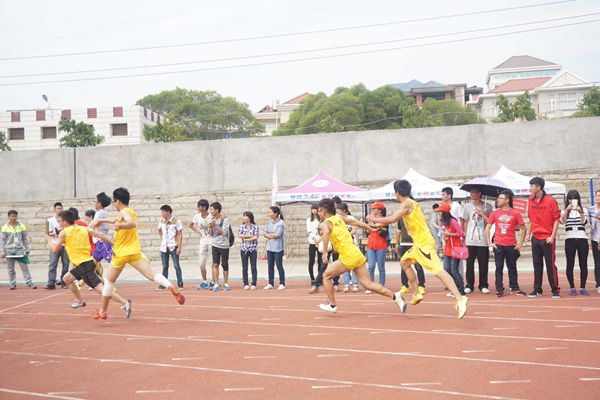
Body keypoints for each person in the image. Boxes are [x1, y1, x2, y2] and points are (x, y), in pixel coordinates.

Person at [369, 180, 468, 319]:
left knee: (439, 272)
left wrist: (372, 218)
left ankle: (460, 298)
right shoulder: (410, 203)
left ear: (397, 193)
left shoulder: (407, 204)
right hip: (418, 244)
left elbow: (392, 219)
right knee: (404, 263)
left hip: (424, 244)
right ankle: (416, 293)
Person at [92, 187, 184, 320]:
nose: (114, 205)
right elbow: (118, 219)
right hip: (134, 252)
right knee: (151, 275)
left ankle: (103, 311)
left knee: (108, 282)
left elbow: (130, 223)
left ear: (117, 201)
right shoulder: (130, 211)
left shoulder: (124, 212)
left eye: (114, 202)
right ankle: (170, 286)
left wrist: (120, 226)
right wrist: (102, 220)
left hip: (120, 254)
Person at [316, 198, 406, 314]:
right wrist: (371, 229)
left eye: (319, 211)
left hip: (348, 256)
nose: (318, 213)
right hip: (356, 253)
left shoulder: (324, 224)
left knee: (326, 276)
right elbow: (356, 223)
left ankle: (332, 305)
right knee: (368, 284)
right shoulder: (339, 218)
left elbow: (326, 233)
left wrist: (324, 253)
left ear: (324, 211)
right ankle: (395, 296)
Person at [49, 209, 131, 316]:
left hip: (83, 266)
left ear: (65, 222)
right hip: (85, 263)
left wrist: (48, 239)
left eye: (60, 221)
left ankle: (124, 302)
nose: (59, 223)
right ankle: (80, 301)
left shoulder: (64, 233)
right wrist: (114, 244)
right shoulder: (84, 229)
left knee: (101, 290)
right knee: (67, 279)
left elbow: (55, 249)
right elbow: (101, 235)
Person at [486, 190, 527, 297]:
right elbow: (487, 228)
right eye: (498, 198)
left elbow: (523, 228)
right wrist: (490, 243)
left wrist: (520, 243)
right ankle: (499, 289)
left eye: (500, 198)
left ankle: (514, 288)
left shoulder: (515, 213)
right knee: (499, 267)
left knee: (512, 267)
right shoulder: (495, 213)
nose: (498, 200)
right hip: (498, 244)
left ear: (507, 200)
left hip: (511, 244)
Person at [527, 177, 561, 299]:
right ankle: (537, 289)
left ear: (539, 187)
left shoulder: (550, 200)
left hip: (547, 238)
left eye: (532, 186)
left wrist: (552, 236)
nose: (530, 188)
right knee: (537, 264)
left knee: (550, 264)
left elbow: (556, 219)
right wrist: (529, 234)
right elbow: (531, 219)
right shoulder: (530, 200)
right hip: (535, 237)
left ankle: (555, 290)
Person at [461, 188, 493, 294]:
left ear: (479, 193)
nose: (471, 194)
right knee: (469, 263)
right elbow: (465, 221)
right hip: (470, 239)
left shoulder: (488, 206)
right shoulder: (467, 206)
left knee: (483, 263)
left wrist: (485, 215)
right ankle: (469, 285)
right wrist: (464, 236)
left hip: (483, 239)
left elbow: (491, 222)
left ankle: (483, 285)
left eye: (474, 192)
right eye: (471, 192)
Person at [560, 190, 589, 296]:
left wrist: (580, 211)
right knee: (570, 263)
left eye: (575, 198)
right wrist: (567, 210)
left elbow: (584, 222)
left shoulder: (583, 209)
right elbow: (562, 221)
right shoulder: (564, 210)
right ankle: (572, 287)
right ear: (567, 200)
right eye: (570, 198)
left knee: (583, 264)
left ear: (578, 199)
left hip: (582, 239)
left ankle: (583, 287)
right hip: (570, 239)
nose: (572, 200)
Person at [0, 210, 36, 290]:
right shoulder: (5, 227)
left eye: (15, 216)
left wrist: (27, 248)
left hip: (19, 250)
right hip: (9, 250)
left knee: (24, 267)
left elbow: (25, 239)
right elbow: (2, 240)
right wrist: (2, 252)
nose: (14, 218)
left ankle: (29, 282)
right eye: (12, 216)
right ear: (9, 217)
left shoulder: (21, 226)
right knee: (10, 269)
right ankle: (12, 283)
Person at [437, 203, 467, 297]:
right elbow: (442, 233)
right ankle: (454, 289)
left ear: (445, 212)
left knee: (454, 270)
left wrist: (450, 234)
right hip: (447, 248)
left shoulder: (453, 221)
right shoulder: (442, 222)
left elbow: (461, 233)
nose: (438, 213)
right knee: (447, 269)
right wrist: (444, 236)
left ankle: (461, 290)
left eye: (440, 211)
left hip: (455, 248)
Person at [157, 204, 184, 290]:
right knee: (165, 266)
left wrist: (179, 247)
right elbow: (159, 230)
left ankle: (180, 283)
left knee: (176, 266)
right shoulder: (161, 221)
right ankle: (164, 284)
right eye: (161, 212)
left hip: (173, 246)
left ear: (168, 212)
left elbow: (180, 234)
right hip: (164, 247)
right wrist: (162, 239)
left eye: (163, 212)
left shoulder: (176, 221)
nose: (162, 214)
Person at [396, 218, 426, 295]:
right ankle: (404, 285)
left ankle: (421, 285)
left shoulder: (415, 217)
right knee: (404, 266)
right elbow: (398, 230)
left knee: (418, 266)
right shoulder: (401, 218)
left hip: (415, 244)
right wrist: (397, 243)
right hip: (404, 244)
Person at [365, 202, 389, 294]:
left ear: (380, 210)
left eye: (374, 209)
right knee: (371, 266)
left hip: (381, 245)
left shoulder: (384, 220)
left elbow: (379, 228)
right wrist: (368, 224)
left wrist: (371, 222)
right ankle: (370, 285)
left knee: (381, 267)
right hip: (371, 245)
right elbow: (368, 230)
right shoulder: (371, 218)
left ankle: (381, 284)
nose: (372, 210)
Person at [188, 199, 212, 290]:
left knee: (213, 263)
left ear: (204, 207)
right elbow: (190, 225)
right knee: (201, 263)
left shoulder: (211, 216)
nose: (197, 208)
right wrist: (198, 231)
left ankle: (213, 281)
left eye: (199, 206)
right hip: (203, 241)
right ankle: (205, 281)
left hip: (212, 241)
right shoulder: (197, 216)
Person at [45, 202, 69, 289]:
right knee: (53, 264)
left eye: (61, 208)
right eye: (58, 208)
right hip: (55, 244)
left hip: (65, 245)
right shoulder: (50, 220)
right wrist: (56, 233)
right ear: (54, 210)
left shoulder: (66, 220)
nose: (60, 210)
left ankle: (64, 281)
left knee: (66, 264)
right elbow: (47, 233)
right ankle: (51, 282)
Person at [336, 202, 360, 293]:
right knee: (344, 265)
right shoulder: (337, 219)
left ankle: (355, 284)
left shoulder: (351, 218)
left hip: (352, 244)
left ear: (345, 211)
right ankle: (346, 284)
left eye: (339, 211)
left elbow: (354, 230)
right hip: (342, 246)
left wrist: (347, 235)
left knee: (353, 265)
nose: (337, 213)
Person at [208, 201, 231, 291]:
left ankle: (225, 283)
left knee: (224, 264)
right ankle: (216, 283)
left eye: (212, 209)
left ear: (217, 210)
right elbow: (211, 234)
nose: (210, 211)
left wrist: (215, 225)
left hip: (224, 245)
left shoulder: (224, 220)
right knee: (215, 264)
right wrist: (210, 227)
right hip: (214, 244)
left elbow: (224, 233)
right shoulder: (211, 219)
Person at [263, 206, 286, 290]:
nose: (269, 213)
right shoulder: (269, 222)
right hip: (269, 248)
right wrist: (271, 235)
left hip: (278, 248)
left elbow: (277, 235)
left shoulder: (281, 223)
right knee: (270, 266)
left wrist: (270, 235)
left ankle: (282, 283)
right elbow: (265, 234)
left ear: (276, 214)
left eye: (270, 212)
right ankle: (270, 283)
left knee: (279, 265)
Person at [239, 211, 259, 290]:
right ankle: (246, 283)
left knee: (253, 267)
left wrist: (246, 239)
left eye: (245, 216)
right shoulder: (242, 226)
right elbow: (240, 235)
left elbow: (256, 237)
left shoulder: (255, 227)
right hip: (244, 249)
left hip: (253, 249)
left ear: (249, 218)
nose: (243, 218)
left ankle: (254, 283)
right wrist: (251, 236)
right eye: (243, 216)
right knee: (244, 267)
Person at [587, 190, 600, 294]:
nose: (598, 197)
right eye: (597, 196)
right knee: (598, 262)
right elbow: (589, 226)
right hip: (595, 239)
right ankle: (599, 284)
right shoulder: (590, 210)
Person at [306, 203, 321, 286]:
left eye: (316, 209)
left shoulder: (321, 219)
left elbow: (323, 230)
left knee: (320, 261)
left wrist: (319, 240)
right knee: (311, 261)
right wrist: (315, 239)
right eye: (313, 209)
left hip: (320, 242)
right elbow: (310, 231)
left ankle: (319, 278)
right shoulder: (309, 220)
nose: (314, 210)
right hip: (312, 242)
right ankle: (312, 278)